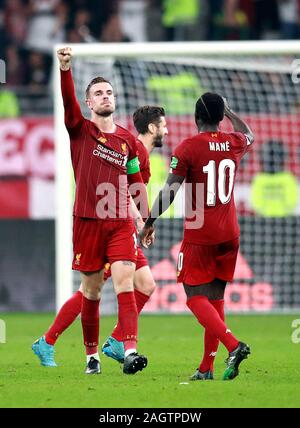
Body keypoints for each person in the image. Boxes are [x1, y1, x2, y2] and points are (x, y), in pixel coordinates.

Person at [32, 47, 149, 375]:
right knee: (92, 291)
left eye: (109, 92)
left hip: (120, 221)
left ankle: (130, 351)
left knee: (125, 282)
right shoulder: (80, 129)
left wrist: (146, 218)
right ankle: (91, 357)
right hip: (87, 222)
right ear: (89, 102)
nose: (105, 96)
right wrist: (65, 68)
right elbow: (67, 101)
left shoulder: (127, 140)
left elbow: (136, 180)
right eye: (98, 93)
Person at [140, 92, 254, 381]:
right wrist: (229, 111)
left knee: (194, 298)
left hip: (201, 234)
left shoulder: (188, 147)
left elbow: (170, 190)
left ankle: (234, 345)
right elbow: (248, 133)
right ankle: (206, 368)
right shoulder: (234, 141)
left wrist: (150, 221)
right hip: (230, 233)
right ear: (220, 117)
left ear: (196, 118)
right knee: (215, 301)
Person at [102, 105, 168, 362]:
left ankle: (117, 341)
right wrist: (141, 221)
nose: (166, 129)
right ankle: (49, 340)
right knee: (92, 287)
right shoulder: (137, 151)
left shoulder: (143, 153)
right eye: (163, 125)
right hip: (117, 226)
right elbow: (124, 188)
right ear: (152, 128)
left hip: (126, 223)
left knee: (147, 285)